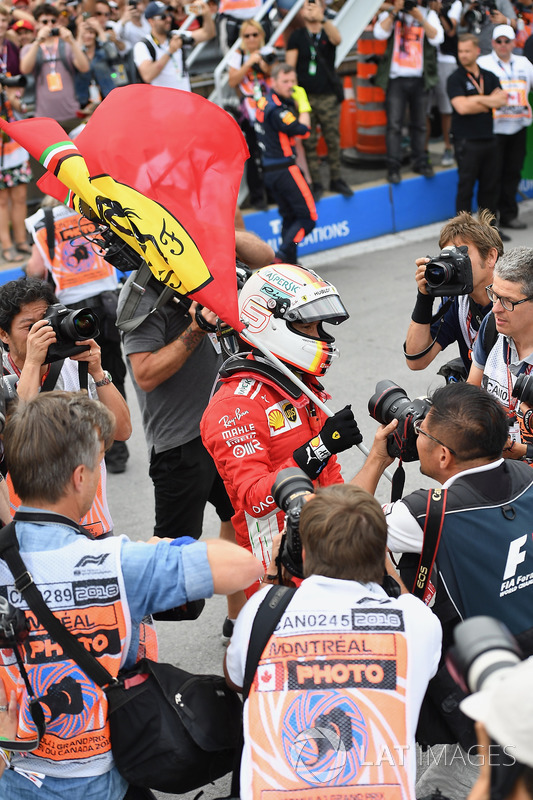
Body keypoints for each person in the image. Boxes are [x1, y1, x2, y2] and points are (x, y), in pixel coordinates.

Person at [0, 389, 263, 797]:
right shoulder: (117, 562)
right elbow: (243, 567)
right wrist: (164, 548)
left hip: (18, 777)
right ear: (80, 478)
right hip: (105, 778)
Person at [224, 483, 442, 800]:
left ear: (301, 552)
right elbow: (408, 613)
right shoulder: (417, 621)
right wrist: (386, 566)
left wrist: (274, 574)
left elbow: (236, 678)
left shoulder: (260, 611)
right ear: (381, 552)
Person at [200, 262, 363, 593]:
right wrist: (320, 447)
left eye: (321, 326)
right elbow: (253, 501)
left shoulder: (299, 385)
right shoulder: (234, 406)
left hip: (326, 545)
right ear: (267, 322)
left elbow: (329, 478)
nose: (321, 337)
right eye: (310, 327)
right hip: (277, 567)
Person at [353, 381, 533, 639]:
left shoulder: (426, 513)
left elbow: (338, 523)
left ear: (444, 456)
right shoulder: (526, 475)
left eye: (421, 430)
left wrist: (377, 459)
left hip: (472, 662)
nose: (416, 437)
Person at [0, 276, 131, 537]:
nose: (43, 334)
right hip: (24, 531)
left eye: (45, 323)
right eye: (30, 328)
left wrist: (97, 371)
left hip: (90, 523)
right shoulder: (3, 378)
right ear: (3, 333)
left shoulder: (75, 364)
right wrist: (33, 364)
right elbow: (16, 436)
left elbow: (123, 431)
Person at [24, 199, 130, 473]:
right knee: (108, 373)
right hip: (106, 306)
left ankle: (86, 444)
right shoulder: (97, 209)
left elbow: (36, 270)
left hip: (68, 312)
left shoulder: (42, 220)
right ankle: (116, 449)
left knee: (71, 374)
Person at [404, 209, 501, 377]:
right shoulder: (459, 302)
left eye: (462, 253)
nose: (455, 264)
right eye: (447, 257)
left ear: (491, 256)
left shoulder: (517, 301)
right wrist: (424, 296)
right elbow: (416, 360)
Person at [468, 246, 533, 460]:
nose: (495, 308)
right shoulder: (492, 327)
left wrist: (521, 451)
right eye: (494, 295)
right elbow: (471, 395)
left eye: (507, 301)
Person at [285, 0, 353, 201]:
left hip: (328, 95)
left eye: (313, 4)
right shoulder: (296, 36)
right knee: (309, 142)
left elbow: (337, 39)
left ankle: (336, 178)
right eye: (306, 5)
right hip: (306, 98)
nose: (310, 8)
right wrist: (297, 99)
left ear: (322, 8)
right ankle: (315, 182)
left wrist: (322, 19)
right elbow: (290, 68)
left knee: (333, 138)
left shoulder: (328, 30)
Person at [373, 0, 444, 185]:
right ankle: (393, 166)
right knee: (394, 125)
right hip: (396, 78)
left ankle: (420, 161)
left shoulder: (427, 14)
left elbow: (437, 38)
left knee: (420, 124)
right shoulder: (392, 13)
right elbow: (379, 33)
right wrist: (394, 11)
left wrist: (420, 18)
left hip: (420, 77)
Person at [255, 63, 317, 264]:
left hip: (270, 171)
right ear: (273, 82)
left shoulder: (263, 101)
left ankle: (290, 264)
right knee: (308, 219)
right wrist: (304, 105)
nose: (290, 86)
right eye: (285, 81)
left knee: (290, 218)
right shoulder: (279, 110)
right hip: (285, 169)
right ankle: (280, 258)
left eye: (293, 81)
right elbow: (304, 130)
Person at [477, 24, 533, 231]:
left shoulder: (524, 63)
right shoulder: (483, 63)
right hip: (493, 129)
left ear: (513, 43)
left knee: (513, 172)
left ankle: (509, 215)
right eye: (498, 41)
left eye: (506, 41)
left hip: (518, 126)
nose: (502, 45)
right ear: (492, 43)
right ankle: (489, 223)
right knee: (491, 176)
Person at [447, 33, 507, 216]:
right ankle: (463, 234)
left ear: (477, 51)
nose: (463, 55)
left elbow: (502, 100)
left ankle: (489, 232)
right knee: (466, 188)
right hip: (466, 141)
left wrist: (475, 101)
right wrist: (488, 100)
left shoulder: (489, 76)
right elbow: (462, 107)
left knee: (490, 187)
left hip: (489, 138)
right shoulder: (455, 78)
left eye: (467, 51)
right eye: (460, 51)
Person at [19, 4, 90, 134]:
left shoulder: (67, 45)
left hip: (71, 114)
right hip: (44, 117)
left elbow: (84, 67)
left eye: (53, 21)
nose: (49, 24)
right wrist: (38, 40)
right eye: (45, 22)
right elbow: (25, 69)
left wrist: (72, 41)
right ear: (37, 24)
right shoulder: (29, 48)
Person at [228, 19, 273, 211]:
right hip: (249, 112)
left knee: (271, 152)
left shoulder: (268, 52)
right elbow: (232, 81)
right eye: (247, 35)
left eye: (255, 35)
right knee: (253, 155)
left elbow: (271, 73)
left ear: (261, 35)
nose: (252, 39)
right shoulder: (237, 55)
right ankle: (257, 197)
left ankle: (273, 193)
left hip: (268, 109)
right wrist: (248, 63)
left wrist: (260, 61)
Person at [0, 3, 31, 265]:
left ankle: (22, 240)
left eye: (2, 19)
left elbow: (13, 91)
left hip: (12, 126)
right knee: (1, 197)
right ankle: (6, 244)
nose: (0, 23)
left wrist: (20, 103)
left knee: (20, 191)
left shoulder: (9, 47)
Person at [133, 0, 215, 90]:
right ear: (151, 21)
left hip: (185, 98)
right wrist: (170, 51)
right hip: (162, 101)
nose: (168, 19)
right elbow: (147, 76)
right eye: (163, 17)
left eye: (169, 15)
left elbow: (208, 34)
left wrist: (206, 13)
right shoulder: (143, 45)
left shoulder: (175, 35)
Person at [429, 0, 463, 167]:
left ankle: (448, 147)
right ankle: (423, 152)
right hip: (421, 59)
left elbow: (451, 30)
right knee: (424, 109)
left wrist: (439, 11)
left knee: (446, 108)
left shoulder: (453, 3)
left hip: (445, 59)